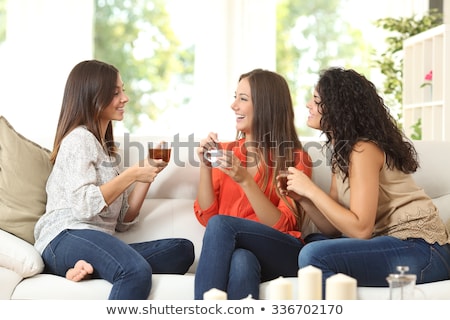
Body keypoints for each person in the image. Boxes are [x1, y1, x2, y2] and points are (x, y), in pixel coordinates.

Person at [33, 59, 194, 300]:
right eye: (115, 92)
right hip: (65, 238)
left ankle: (90, 267)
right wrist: (131, 174)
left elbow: (123, 221)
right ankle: (93, 263)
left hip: (97, 242)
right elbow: (83, 206)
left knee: (182, 250)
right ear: (92, 97)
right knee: (135, 271)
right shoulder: (78, 139)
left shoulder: (108, 152)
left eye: (123, 91)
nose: (125, 98)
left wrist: (147, 175)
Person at [283, 67, 450, 297]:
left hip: (423, 249)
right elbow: (332, 229)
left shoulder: (363, 149)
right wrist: (304, 197)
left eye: (316, 100)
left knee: (314, 255)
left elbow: (361, 229)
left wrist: (311, 188)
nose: (308, 105)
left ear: (338, 109)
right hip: (391, 244)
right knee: (313, 241)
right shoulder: (341, 153)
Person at [193, 69, 312, 300]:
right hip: (243, 253)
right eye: (235, 96)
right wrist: (205, 166)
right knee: (241, 261)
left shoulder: (295, 158)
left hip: (280, 250)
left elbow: (283, 227)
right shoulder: (225, 151)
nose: (233, 105)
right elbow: (208, 219)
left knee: (223, 227)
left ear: (266, 106)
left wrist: (246, 181)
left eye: (242, 99)